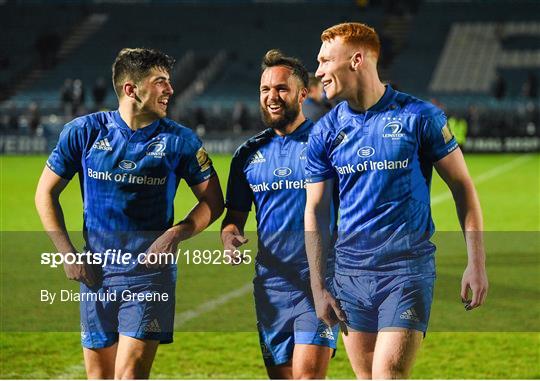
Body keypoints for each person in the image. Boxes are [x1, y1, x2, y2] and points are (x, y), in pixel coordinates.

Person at [305, 22, 488, 379]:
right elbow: (316, 211)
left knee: (388, 374)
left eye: (326, 60)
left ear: (356, 60)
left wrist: (476, 263)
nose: (319, 71)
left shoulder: (420, 117)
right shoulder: (325, 132)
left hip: (406, 270)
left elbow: (463, 187)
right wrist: (318, 285)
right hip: (350, 274)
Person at [35, 48, 224, 379]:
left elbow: (213, 201)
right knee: (100, 377)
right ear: (130, 89)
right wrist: (67, 254)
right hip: (96, 274)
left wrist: (174, 234)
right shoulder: (84, 132)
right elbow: (45, 193)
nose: (170, 90)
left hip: (149, 275)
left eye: (169, 82)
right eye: (160, 82)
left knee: (130, 375)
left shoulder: (180, 140)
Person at [221, 49, 338, 379]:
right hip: (271, 288)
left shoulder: (326, 144)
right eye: (265, 90)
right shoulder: (247, 155)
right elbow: (234, 218)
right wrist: (230, 237)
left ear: (303, 94)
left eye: (281, 89)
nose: (271, 97)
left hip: (320, 281)